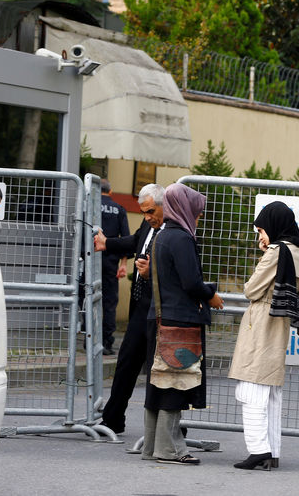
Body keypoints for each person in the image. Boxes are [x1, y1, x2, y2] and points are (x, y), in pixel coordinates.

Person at [228, 201, 299, 470]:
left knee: (252, 387)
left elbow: (251, 289)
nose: (260, 237)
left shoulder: (277, 252)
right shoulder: (298, 252)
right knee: (270, 391)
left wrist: (266, 253)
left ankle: (258, 450)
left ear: (273, 226)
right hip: (279, 323)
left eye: (261, 231)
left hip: (262, 321)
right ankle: (271, 452)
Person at [142, 183, 224, 465]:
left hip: (161, 318)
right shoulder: (182, 239)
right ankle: (171, 449)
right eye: (196, 213)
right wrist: (211, 294)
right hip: (180, 321)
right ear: (185, 210)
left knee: (160, 383)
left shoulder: (161, 236)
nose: (198, 218)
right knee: (176, 382)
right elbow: (190, 282)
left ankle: (153, 446)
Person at [94, 183, 165, 435]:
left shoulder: (176, 229)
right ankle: (113, 419)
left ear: (163, 205)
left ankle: (165, 425)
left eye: (150, 211)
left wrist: (152, 272)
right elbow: (135, 241)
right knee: (126, 363)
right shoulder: (149, 225)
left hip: (159, 311)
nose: (147, 217)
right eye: (144, 212)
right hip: (139, 308)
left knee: (158, 370)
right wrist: (107, 244)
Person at [99, 179, 130, 355]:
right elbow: (125, 238)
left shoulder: (89, 205)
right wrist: (123, 264)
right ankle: (107, 342)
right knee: (109, 302)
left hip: (90, 259)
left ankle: (90, 339)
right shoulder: (119, 209)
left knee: (89, 298)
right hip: (111, 260)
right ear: (110, 192)